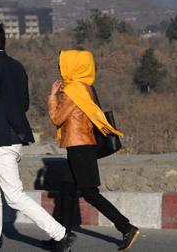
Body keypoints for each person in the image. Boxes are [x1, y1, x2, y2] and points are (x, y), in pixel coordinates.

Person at [0, 21, 75, 252]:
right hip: (11, 137)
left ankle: (60, 234)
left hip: (2, 140)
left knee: (13, 196)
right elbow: (23, 104)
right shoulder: (17, 66)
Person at [47, 49, 140, 251]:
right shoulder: (86, 87)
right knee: (67, 189)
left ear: (74, 67)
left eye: (63, 64)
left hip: (79, 146)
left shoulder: (73, 91)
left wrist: (53, 96)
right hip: (79, 145)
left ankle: (126, 227)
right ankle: (60, 237)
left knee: (90, 193)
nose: (60, 68)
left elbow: (56, 118)